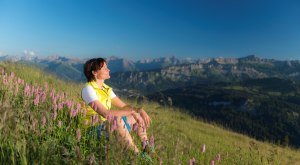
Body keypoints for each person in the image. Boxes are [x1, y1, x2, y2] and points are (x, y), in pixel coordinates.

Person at [81, 58, 153, 157]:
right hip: (93, 128)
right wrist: (132, 112)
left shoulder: (106, 89)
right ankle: (138, 156)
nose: (108, 70)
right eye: (105, 68)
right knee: (118, 120)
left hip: (107, 125)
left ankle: (148, 149)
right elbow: (106, 113)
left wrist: (139, 110)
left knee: (137, 116)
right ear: (94, 72)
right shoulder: (88, 89)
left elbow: (124, 106)